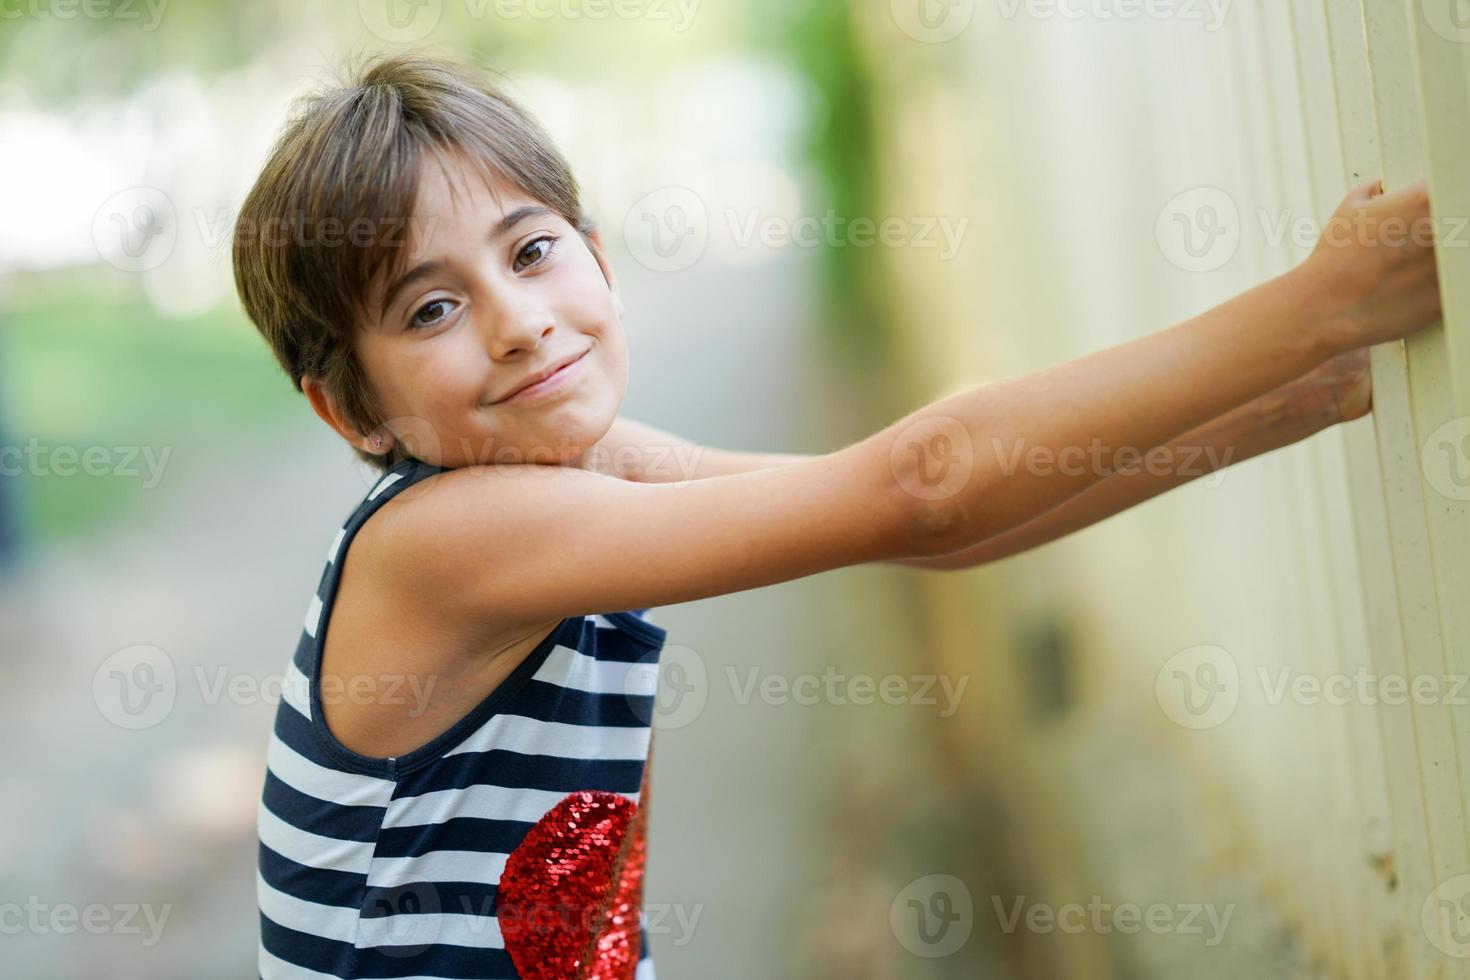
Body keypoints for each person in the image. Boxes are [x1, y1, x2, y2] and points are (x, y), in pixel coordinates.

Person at [232, 53, 1441, 980]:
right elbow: (919, 481)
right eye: (431, 309)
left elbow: (935, 525)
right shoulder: (445, 543)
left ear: (599, 258)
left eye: (532, 249)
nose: (516, 319)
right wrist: (1319, 307)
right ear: (352, 407)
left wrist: (1285, 401)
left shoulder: (590, 466)